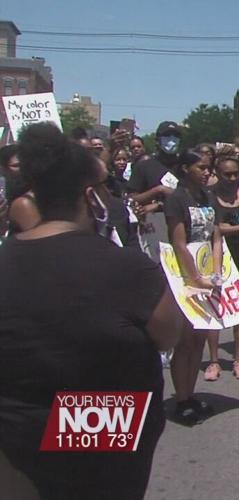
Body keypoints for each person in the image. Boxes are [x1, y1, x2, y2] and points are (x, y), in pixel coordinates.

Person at [0, 123, 182, 499]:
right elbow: (168, 335)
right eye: (104, 189)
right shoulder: (129, 269)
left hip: (16, 431)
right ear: (91, 197)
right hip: (103, 424)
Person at [165, 149, 222, 425]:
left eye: (209, 168)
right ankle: (180, 398)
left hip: (209, 274)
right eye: (202, 168)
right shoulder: (176, 199)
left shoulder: (209, 197)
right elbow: (178, 242)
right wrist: (196, 278)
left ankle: (191, 394)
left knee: (199, 339)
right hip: (186, 276)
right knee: (185, 341)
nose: (207, 172)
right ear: (186, 168)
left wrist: (218, 271)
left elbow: (216, 237)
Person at [206, 155, 239, 381]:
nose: (233, 178)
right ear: (218, 174)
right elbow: (213, 229)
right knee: (214, 307)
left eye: (237, 174)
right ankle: (214, 361)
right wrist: (235, 228)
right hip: (214, 255)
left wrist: (229, 228)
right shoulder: (209, 197)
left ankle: (238, 358)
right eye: (227, 174)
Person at [127, 121, 184, 215]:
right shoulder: (144, 166)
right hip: (154, 222)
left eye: (175, 136)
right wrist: (158, 190)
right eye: (167, 135)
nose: (172, 139)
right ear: (158, 140)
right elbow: (131, 198)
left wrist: (160, 205)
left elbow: (191, 197)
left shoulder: (185, 166)